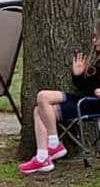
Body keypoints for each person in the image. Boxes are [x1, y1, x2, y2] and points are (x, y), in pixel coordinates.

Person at [19, 20, 100, 173]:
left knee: (39, 111)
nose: (94, 40)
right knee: (42, 97)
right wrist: (77, 75)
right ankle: (51, 145)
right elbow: (83, 86)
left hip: (90, 103)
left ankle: (44, 156)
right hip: (79, 97)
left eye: (97, 37)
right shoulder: (95, 58)